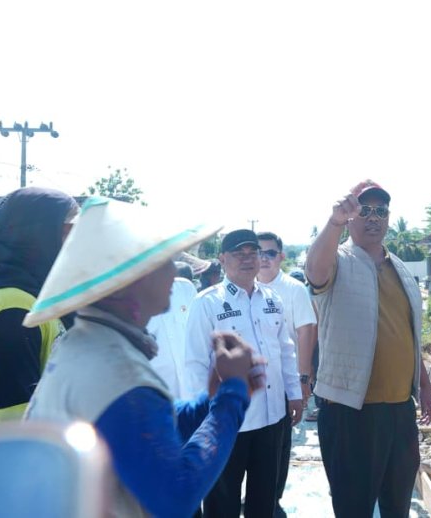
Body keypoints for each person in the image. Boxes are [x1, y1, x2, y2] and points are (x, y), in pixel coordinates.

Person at [23, 197, 255, 517]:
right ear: (124, 284)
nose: (174, 271)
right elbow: (175, 498)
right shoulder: (118, 373)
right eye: (162, 262)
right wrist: (232, 395)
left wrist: (210, 400)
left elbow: (148, 426)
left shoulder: (85, 345)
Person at [305, 180, 431, 518]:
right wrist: (333, 223)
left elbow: (409, 333)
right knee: (354, 508)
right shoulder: (338, 260)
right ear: (350, 217)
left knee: (398, 506)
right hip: (351, 411)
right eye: (365, 210)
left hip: (399, 411)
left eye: (381, 211)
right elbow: (315, 273)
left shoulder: (402, 270)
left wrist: (423, 383)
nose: (373, 217)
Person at [185, 229, 302, 518]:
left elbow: (285, 350)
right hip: (228, 422)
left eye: (254, 253)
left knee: (264, 499)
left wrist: (295, 394)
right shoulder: (207, 303)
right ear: (223, 259)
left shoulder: (272, 299)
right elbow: (195, 364)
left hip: (271, 417)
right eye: (239, 253)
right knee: (222, 502)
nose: (248, 259)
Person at [0, 187, 78, 428]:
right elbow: (17, 433)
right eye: (69, 234)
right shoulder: (10, 311)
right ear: (39, 238)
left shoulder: (34, 298)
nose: (78, 246)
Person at [256, 231, 318, 518]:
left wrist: (303, 379)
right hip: (251, 385)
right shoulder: (243, 288)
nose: (264, 258)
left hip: (283, 381)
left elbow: (307, 330)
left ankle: (273, 499)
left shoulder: (293, 289)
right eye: (258, 252)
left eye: (270, 253)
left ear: (281, 256)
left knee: (279, 445)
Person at [146, 261, 199, 399]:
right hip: (158, 398)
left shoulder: (185, 288)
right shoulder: (129, 301)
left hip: (193, 396)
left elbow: (200, 336)